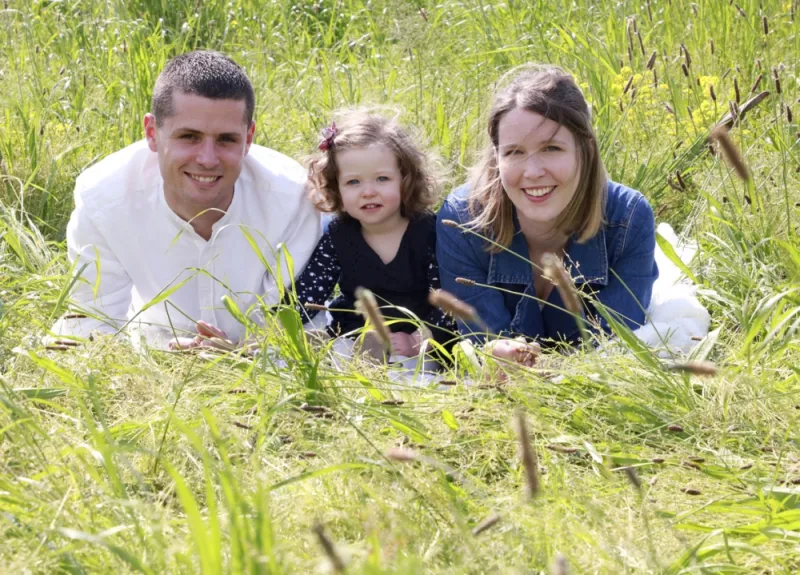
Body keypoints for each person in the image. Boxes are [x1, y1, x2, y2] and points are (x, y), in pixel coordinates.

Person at [50, 50, 321, 349]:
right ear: (152, 132)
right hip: (150, 348)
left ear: (249, 138)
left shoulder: (293, 199)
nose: (207, 159)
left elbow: (294, 323)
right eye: (189, 137)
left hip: (258, 362)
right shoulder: (103, 200)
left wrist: (241, 355)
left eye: (226, 139)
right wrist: (158, 357)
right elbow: (93, 322)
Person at [436, 64, 658, 365]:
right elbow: (483, 343)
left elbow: (615, 348)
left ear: (585, 150)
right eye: (514, 152)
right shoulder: (462, 219)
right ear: (497, 157)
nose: (533, 172)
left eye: (551, 148)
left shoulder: (628, 218)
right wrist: (496, 355)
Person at [288, 110, 456, 361]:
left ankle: (378, 363)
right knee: (337, 350)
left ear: (405, 181)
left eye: (382, 179)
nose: (368, 192)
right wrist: (278, 327)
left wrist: (419, 339)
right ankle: (336, 354)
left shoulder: (427, 232)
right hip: (355, 330)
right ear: (336, 187)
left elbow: (447, 299)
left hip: (415, 335)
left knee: (415, 367)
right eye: (353, 182)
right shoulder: (338, 234)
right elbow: (309, 292)